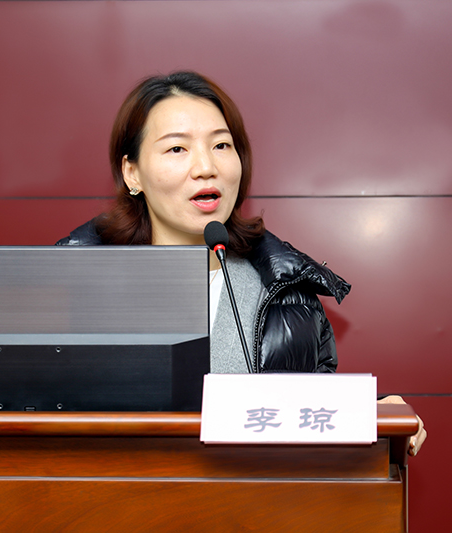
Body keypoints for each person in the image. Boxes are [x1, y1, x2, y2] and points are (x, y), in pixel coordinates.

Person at [57, 71, 425, 454]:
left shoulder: (286, 293)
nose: (206, 166)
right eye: (177, 149)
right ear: (132, 173)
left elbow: (307, 414)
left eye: (221, 145)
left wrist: (373, 415)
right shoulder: (78, 288)